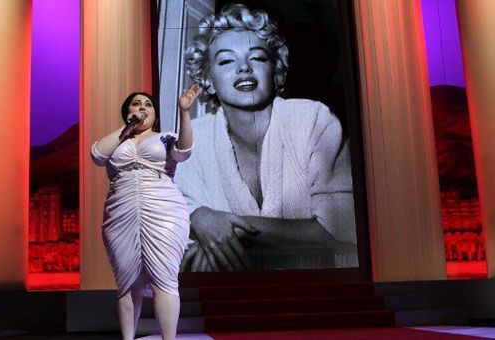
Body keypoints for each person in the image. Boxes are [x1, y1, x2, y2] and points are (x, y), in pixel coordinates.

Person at [176, 4, 357, 272]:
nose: (244, 68)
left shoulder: (313, 121)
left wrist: (231, 229)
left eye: (258, 58)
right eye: (226, 61)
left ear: (275, 70)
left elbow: (342, 230)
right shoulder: (195, 139)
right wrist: (198, 217)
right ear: (208, 79)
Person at [90, 87, 198, 340]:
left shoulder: (165, 138)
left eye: (148, 105)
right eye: (136, 105)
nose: (142, 108)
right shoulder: (117, 140)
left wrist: (184, 111)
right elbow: (97, 155)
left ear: (155, 115)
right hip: (121, 209)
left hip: (163, 208)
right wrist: (126, 130)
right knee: (128, 281)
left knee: (164, 277)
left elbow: (184, 151)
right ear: (127, 113)